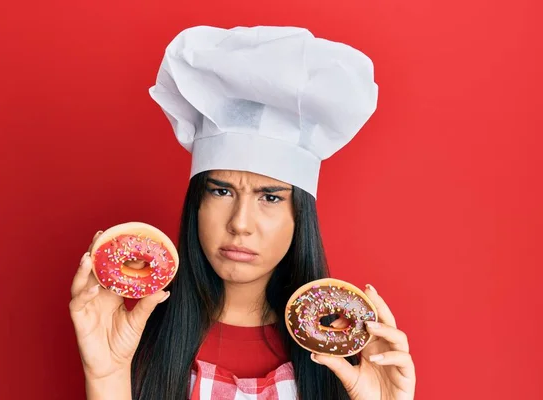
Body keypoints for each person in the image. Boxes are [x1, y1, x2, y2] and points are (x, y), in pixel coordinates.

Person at [69, 25, 416, 400]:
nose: (239, 223)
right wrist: (106, 377)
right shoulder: (131, 337)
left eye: (270, 198)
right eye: (221, 191)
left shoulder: (351, 361)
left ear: (300, 216)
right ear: (196, 204)